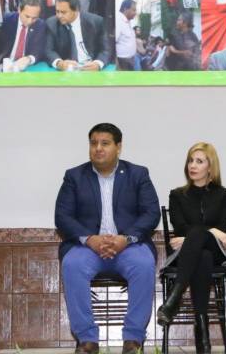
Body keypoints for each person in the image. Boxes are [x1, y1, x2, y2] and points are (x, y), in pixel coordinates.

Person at [54, 123, 160, 354]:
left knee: (144, 264)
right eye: (94, 143)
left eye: (105, 143)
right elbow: (62, 216)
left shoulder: (138, 174)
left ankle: (133, 339)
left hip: (128, 246)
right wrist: (90, 239)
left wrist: (126, 239)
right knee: (72, 264)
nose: (98, 148)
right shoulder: (74, 176)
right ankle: (87, 339)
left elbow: (151, 213)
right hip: (87, 248)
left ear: (118, 147)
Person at [156, 142, 226, 354]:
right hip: (189, 255)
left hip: (218, 252)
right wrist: (212, 231)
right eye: (191, 160)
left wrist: (199, 235)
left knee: (202, 242)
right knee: (203, 256)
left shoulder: (224, 194)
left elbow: (223, 229)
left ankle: (174, 298)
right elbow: (180, 227)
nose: (193, 165)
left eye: (199, 161)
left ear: (211, 167)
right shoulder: (177, 195)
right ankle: (203, 339)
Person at [45, 0, 111, 71]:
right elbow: (49, 50)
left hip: (90, 66)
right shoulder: (52, 23)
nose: (59, 15)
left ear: (76, 10)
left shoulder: (96, 22)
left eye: (63, 12)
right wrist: (60, 63)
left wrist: (97, 64)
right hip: (68, 69)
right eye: (57, 11)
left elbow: (106, 50)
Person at [0, 0, 48, 71]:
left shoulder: (40, 25)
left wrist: (29, 59)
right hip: (3, 65)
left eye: (34, 18)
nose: (29, 21)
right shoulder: (6, 20)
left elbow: (38, 50)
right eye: (27, 16)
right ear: (19, 10)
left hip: (26, 68)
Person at [116, 0, 138, 70]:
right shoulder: (118, 21)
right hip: (122, 62)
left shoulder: (127, 22)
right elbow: (111, 44)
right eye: (133, 10)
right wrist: (117, 66)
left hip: (129, 60)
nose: (135, 13)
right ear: (125, 9)